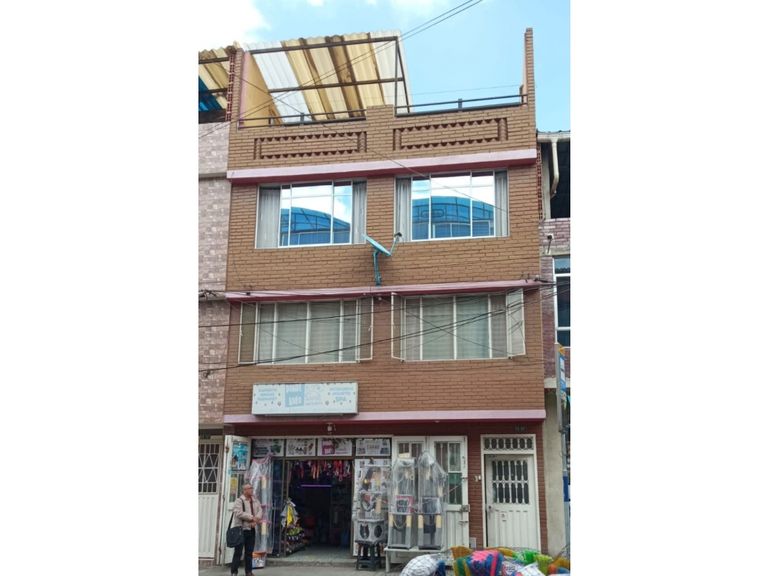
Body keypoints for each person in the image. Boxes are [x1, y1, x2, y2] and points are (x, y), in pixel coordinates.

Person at [231, 483, 263, 576]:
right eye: (249, 488)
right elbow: (239, 513)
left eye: (252, 488)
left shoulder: (255, 500)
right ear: (244, 490)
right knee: (238, 552)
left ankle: (248, 572)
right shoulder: (239, 500)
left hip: (251, 530)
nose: (251, 490)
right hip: (241, 530)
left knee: (249, 552)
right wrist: (252, 518)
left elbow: (260, 510)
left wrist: (256, 519)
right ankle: (234, 572)